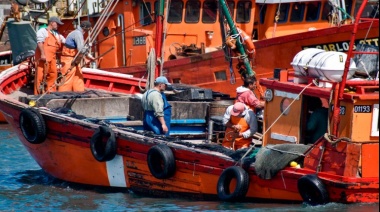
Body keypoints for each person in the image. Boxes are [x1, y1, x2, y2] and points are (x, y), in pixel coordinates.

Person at [58, 21, 95, 92]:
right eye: (88, 29)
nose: (88, 31)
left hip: (73, 57)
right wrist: (89, 55)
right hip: (68, 58)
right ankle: (63, 94)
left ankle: (79, 92)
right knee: (67, 77)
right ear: (86, 28)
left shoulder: (75, 32)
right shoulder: (78, 34)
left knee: (78, 76)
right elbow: (80, 48)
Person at [34, 16, 65, 95]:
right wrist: (42, 54)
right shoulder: (42, 31)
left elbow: (65, 41)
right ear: (52, 23)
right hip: (43, 58)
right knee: (40, 76)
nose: (58, 25)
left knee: (53, 75)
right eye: (57, 24)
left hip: (52, 58)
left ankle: (50, 93)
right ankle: (38, 94)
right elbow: (40, 42)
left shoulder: (57, 34)